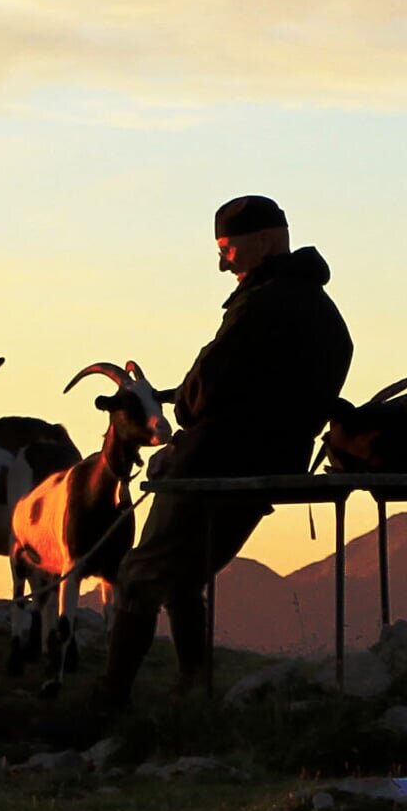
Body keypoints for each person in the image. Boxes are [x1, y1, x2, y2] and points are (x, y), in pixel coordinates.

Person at [97, 192, 352, 706]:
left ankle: (107, 707)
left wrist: (190, 406)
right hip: (279, 463)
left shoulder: (261, 305)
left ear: (262, 242)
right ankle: (194, 692)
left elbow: (199, 395)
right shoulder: (325, 312)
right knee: (184, 577)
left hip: (216, 467)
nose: (220, 264)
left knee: (139, 573)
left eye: (227, 250)